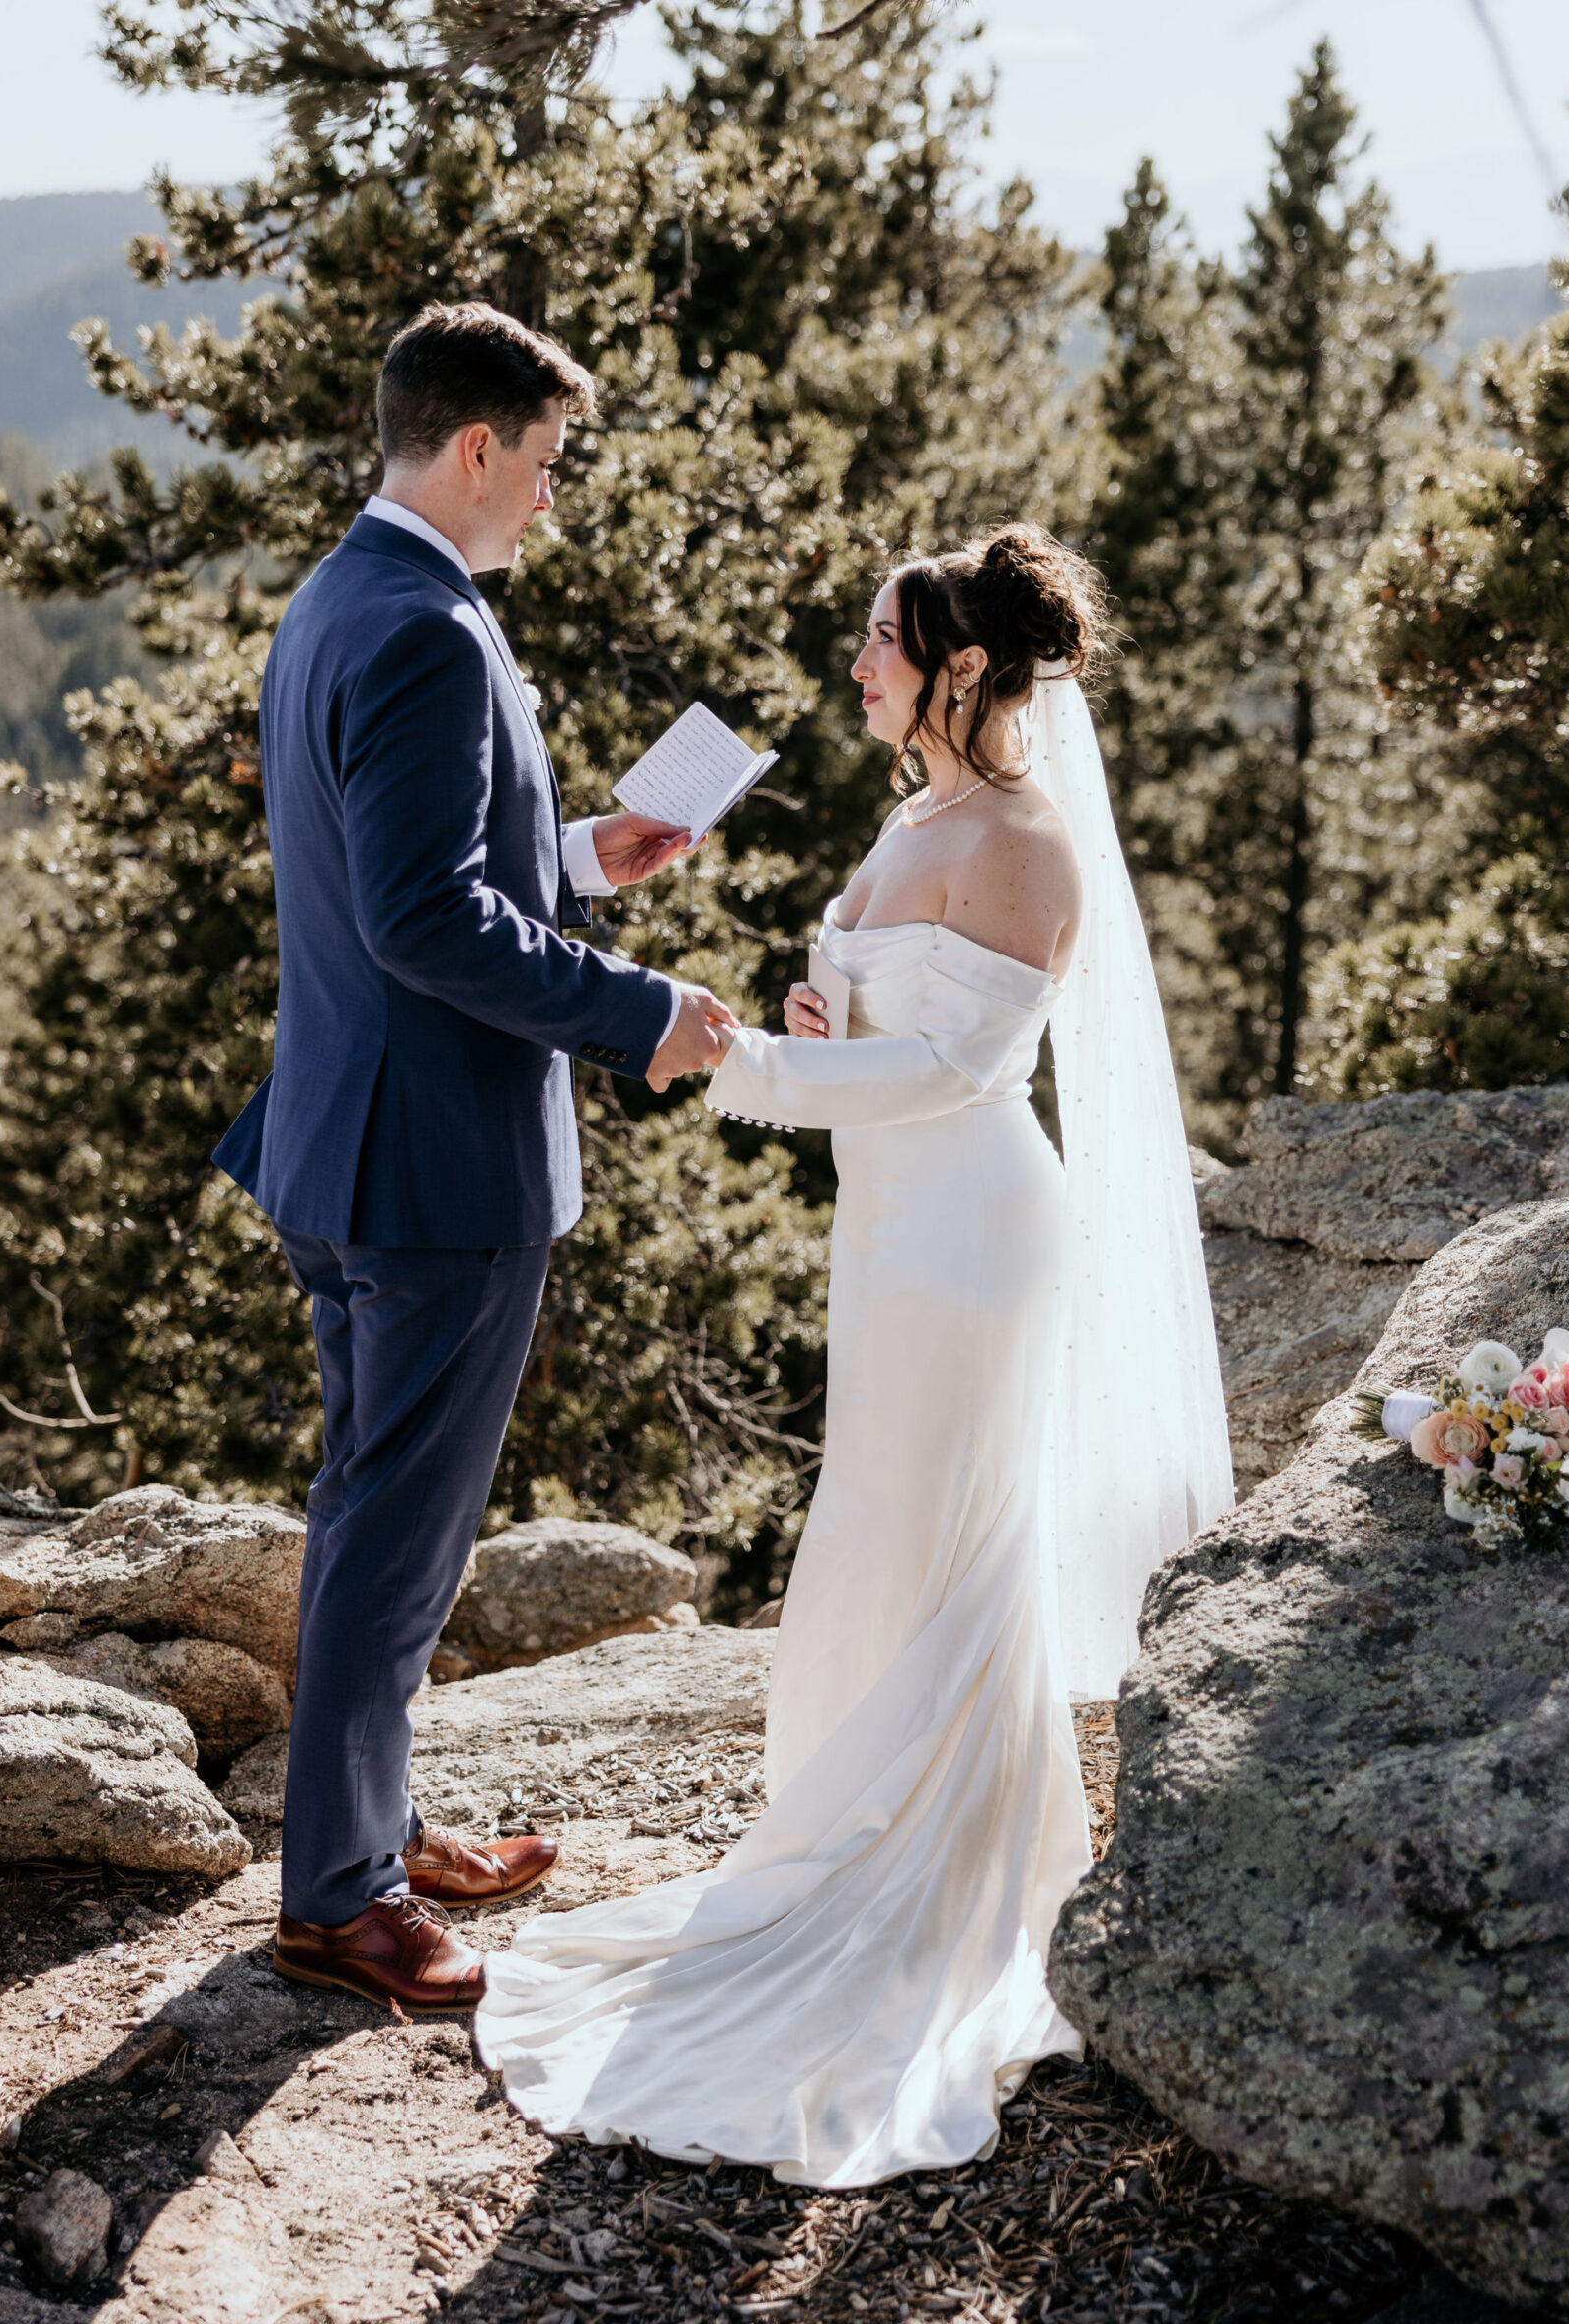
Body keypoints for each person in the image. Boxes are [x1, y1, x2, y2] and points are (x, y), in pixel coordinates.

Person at [474, 524, 1233, 2183]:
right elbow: (889, 1041)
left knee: (945, 1544)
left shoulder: (1027, 839)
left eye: (883, 641)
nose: (860, 666)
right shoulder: (918, 814)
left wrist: (746, 1061)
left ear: (961, 664)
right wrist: (819, 1033)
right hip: (886, 1238)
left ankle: (934, 1883)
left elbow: (962, 1077)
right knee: (879, 1535)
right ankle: (850, 1840)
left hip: (970, 1239)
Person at [212, 301, 737, 2017]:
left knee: (381, 1513)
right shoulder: (431, 627)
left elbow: (419, 863)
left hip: (346, 1139)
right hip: (431, 1164)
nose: (550, 499)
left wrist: (582, 853)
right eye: (550, 465)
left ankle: (373, 1823)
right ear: (479, 446)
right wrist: (636, 1008)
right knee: (396, 1529)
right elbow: (424, 915)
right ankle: (339, 1896)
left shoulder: (343, 599)